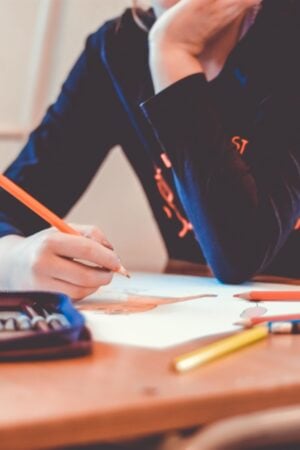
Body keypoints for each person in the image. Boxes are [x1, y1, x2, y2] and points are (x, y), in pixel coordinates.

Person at [0, 0, 299, 300]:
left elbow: (240, 255)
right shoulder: (119, 48)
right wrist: (12, 260)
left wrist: (173, 53)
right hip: (205, 319)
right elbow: (11, 205)